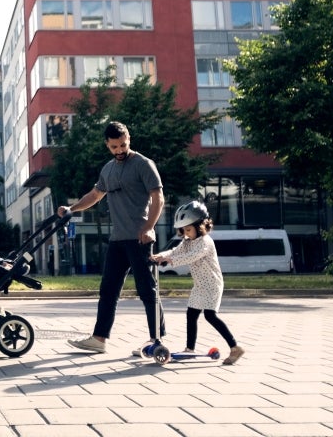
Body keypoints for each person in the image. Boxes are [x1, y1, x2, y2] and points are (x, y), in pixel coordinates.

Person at [57, 120, 164, 354]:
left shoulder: (143, 164)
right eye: (115, 147)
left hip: (139, 238)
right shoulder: (108, 169)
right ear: (107, 145)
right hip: (117, 239)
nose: (120, 151)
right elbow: (95, 195)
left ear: (129, 140)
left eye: (123, 145)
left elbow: (158, 198)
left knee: (147, 290)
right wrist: (72, 209)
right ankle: (99, 339)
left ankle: (156, 340)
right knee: (108, 290)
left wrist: (149, 227)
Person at [151, 200, 245, 365]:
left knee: (210, 316)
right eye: (183, 230)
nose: (186, 233)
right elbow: (175, 251)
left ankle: (235, 347)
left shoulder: (205, 242)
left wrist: (169, 259)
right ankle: (189, 350)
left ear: (200, 225)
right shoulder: (187, 242)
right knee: (191, 314)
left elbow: (191, 256)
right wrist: (160, 256)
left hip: (212, 285)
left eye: (189, 229)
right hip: (200, 286)